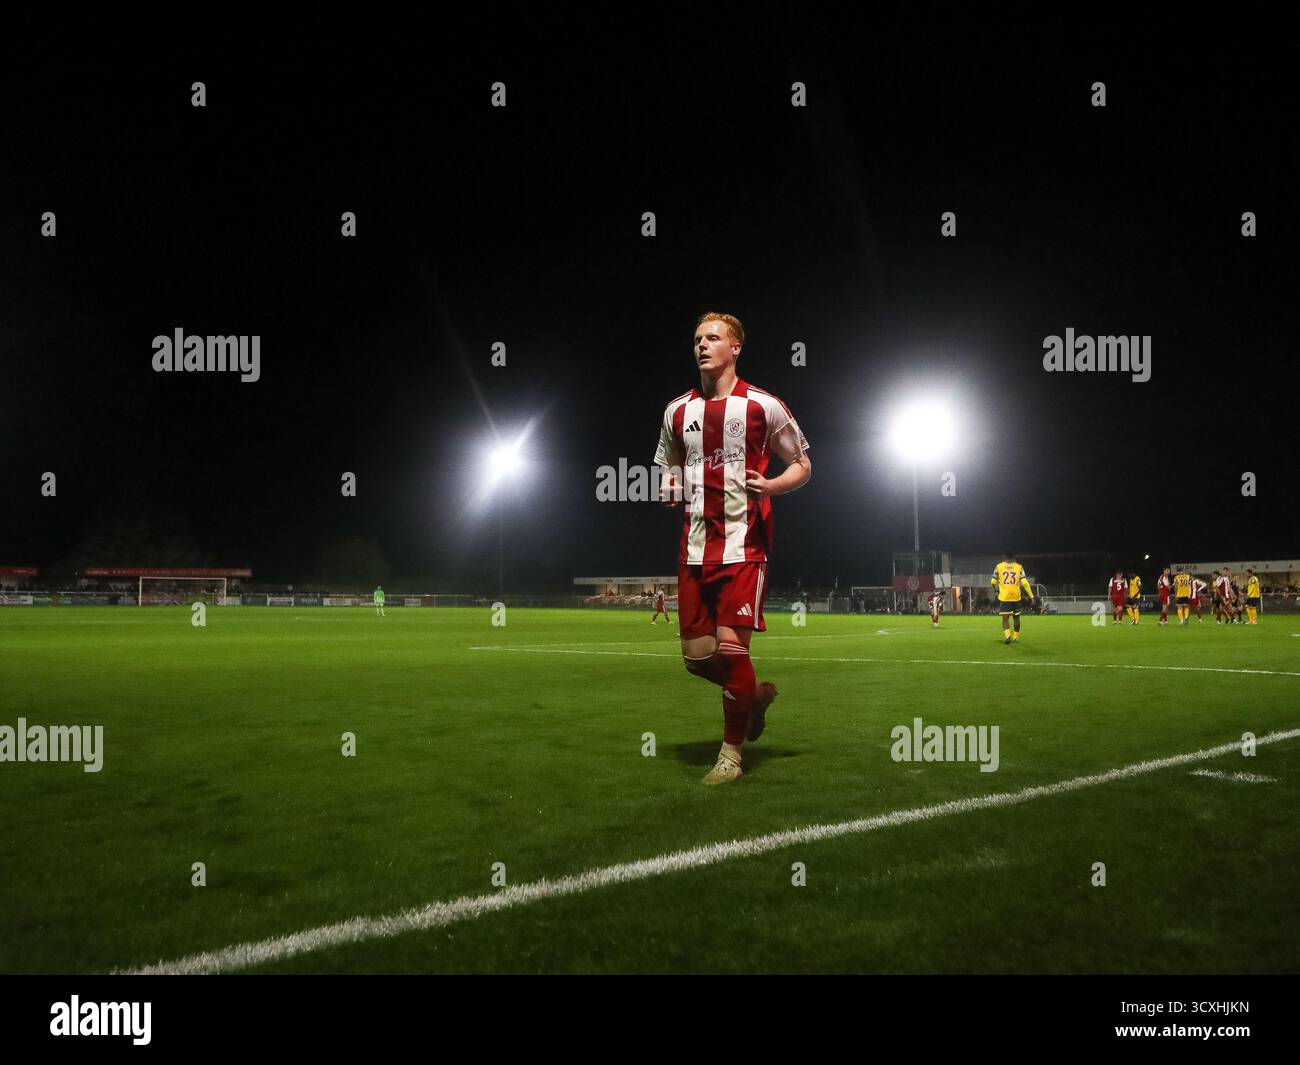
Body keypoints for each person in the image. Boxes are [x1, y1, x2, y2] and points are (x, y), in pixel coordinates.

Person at [655, 312, 811, 785]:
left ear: (735, 347)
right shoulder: (677, 411)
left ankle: (731, 755)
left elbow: (802, 464)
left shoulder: (764, 406)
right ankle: (754, 695)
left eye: (713, 338)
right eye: (697, 339)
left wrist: (773, 485)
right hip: (694, 549)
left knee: (733, 649)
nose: (702, 345)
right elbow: (669, 463)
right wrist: (669, 481)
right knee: (697, 659)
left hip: (745, 548)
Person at [990, 553, 1035, 644]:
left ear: (1004, 557)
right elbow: (1025, 583)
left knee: (1005, 619)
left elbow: (993, 582)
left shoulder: (999, 567)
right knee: (1016, 618)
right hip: (1016, 597)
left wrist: (996, 590)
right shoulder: (1019, 567)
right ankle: (1015, 638)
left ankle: (1008, 637)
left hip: (1004, 597)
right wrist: (1032, 596)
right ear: (1014, 557)